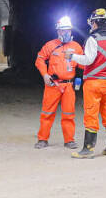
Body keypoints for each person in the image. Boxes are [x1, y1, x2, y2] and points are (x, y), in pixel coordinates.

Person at [67, 8, 106, 159]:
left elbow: (88, 60)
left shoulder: (93, 39)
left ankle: (88, 149)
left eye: (91, 22)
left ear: (95, 23)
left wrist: (72, 56)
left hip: (94, 82)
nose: (91, 25)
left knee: (91, 114)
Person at [34, 16, 82, 149]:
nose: (66, 33)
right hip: (53, 85)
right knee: (47, 113)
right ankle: (42, 139)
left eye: (68, 30)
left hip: (69, 85)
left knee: (69, 114)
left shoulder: (76, 47)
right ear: (58, 31)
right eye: (63, 30)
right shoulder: (50, 45)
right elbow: (40, 60)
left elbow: (84, 64)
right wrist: (45, 75)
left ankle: (69, 140)